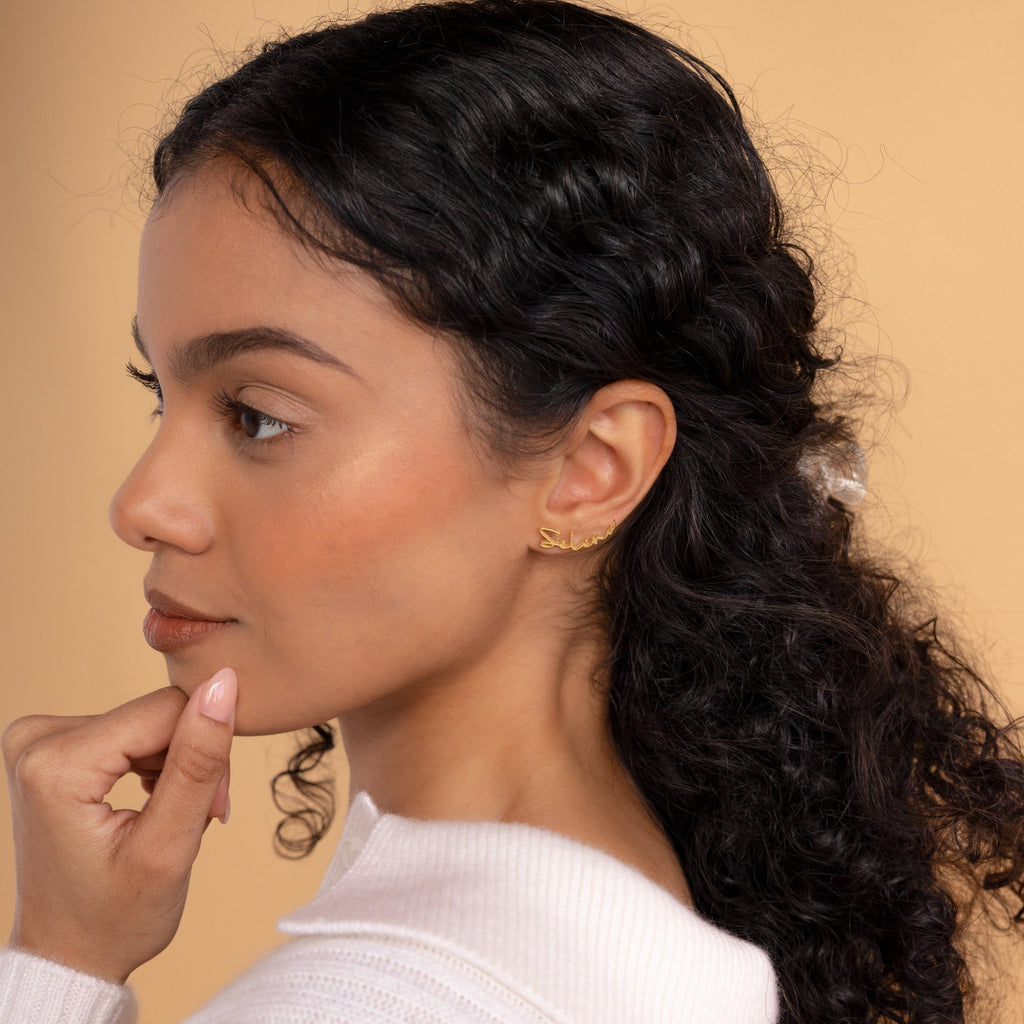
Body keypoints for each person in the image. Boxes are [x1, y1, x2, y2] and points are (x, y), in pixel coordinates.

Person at [2, 0, 1022, 1021]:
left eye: (259, 416)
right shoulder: (646, 947)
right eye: (160, 393)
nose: (142, 504)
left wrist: (56, 964)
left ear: (590, 469)